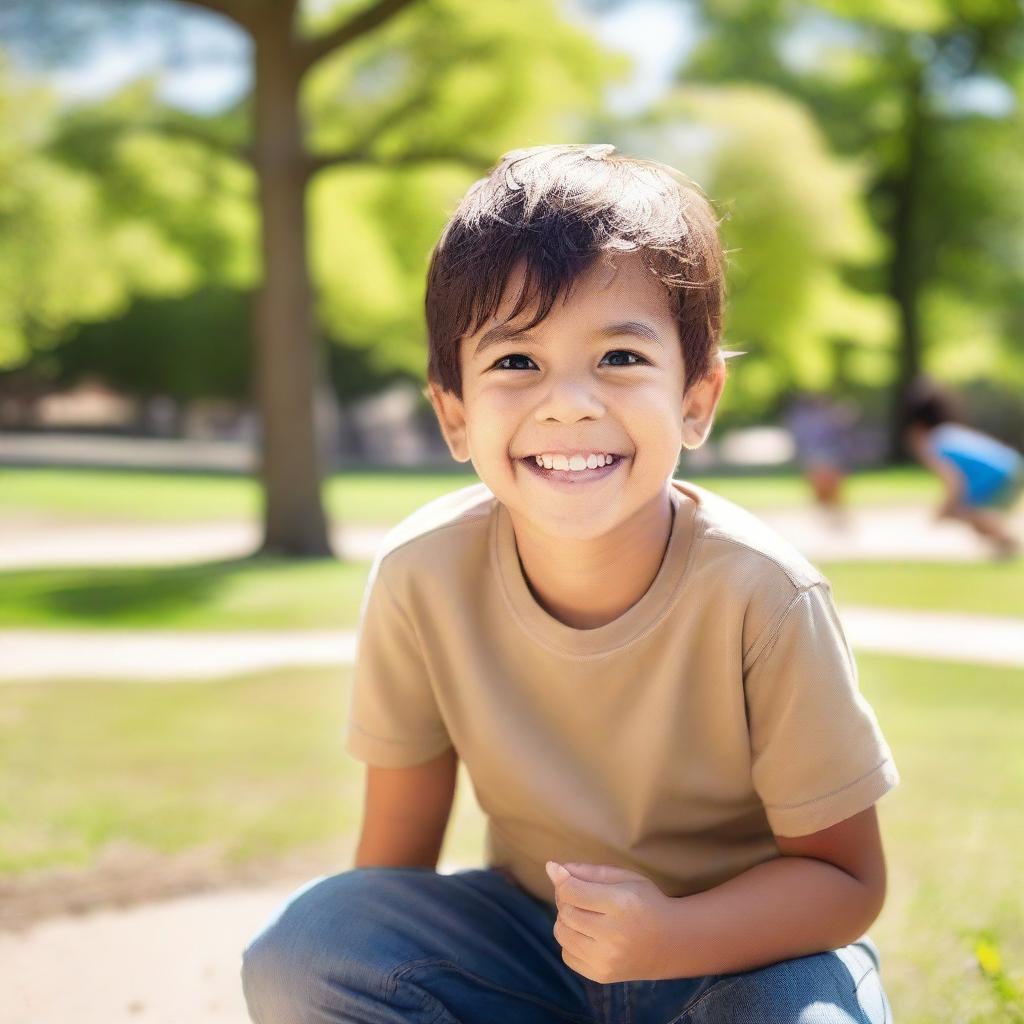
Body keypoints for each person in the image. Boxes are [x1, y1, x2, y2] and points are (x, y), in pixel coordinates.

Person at [240, 143, 900, 1023]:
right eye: (517, 363)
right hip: (531, 956)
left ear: (697, 398)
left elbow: (847, 881)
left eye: (621, 358)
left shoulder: (764, 595)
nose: (570, 403)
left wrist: (668, 936)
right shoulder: (423, 574)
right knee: (311, 947)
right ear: (454, 414)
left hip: (740, 961)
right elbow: (387, 878)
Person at [903, 376, 1023, 560]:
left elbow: (954, 481)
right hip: (1011, 467)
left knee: (965, 513)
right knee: (973, 518)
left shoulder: (936, 442)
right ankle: (1005, 548)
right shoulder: (948, 433)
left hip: (1001, 474)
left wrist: (942, 511)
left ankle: (1010, 543)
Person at [784, 391, 859, 529]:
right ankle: (831, 518)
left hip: (829, 457)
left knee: (832, 490)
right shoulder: (806, 419)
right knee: (822, 491)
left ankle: (836, 518)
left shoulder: (830, 418)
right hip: (819, 457)